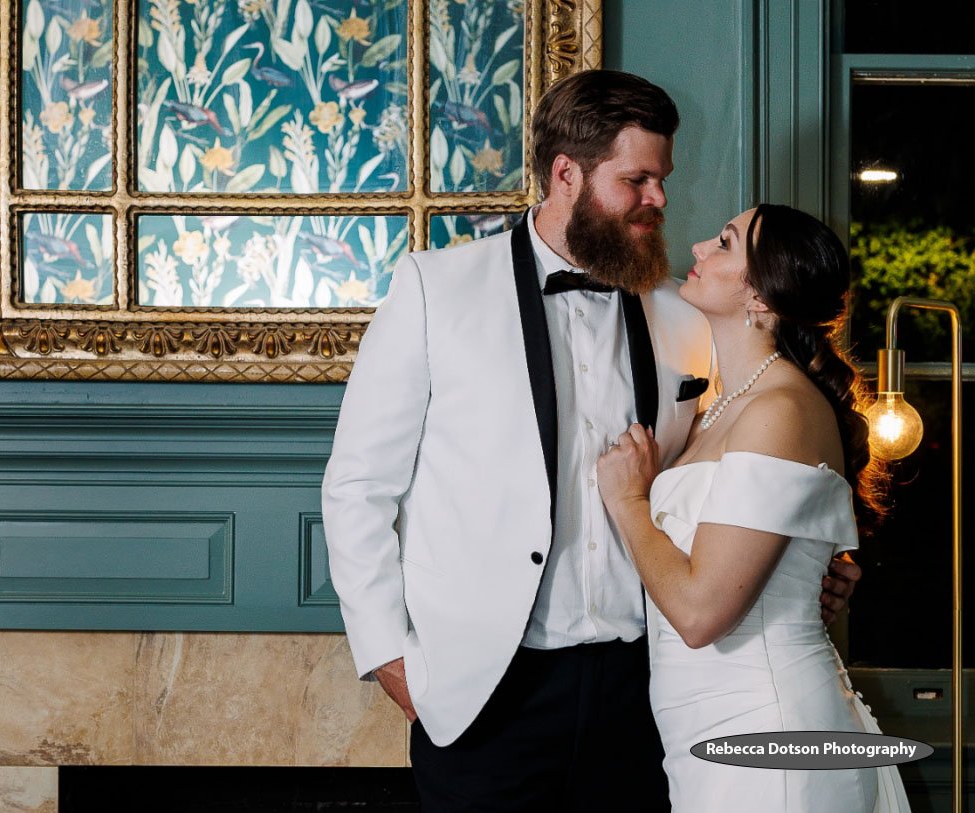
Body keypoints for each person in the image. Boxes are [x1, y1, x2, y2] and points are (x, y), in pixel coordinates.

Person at [322, 70, 859, 811]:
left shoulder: (688, 314)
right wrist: (389, 655)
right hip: (488, 692)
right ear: (566, 173)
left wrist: (804, 568)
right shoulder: (431, 290)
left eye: (661, 179)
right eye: (637, 179)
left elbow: (748, 471)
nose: (659, 200)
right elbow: (357, 487)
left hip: (641, 691)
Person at [596, 204, 910, 812]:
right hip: (701, 733)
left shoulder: (780, 411)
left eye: (724, 242)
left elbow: (699, 613)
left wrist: (629, 500)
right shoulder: (720, 403)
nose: (697, 248)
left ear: (761, 297)